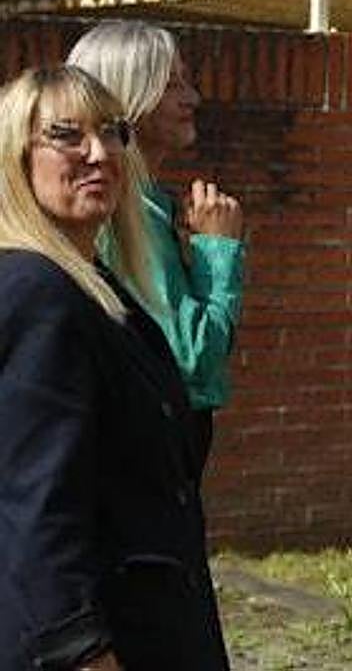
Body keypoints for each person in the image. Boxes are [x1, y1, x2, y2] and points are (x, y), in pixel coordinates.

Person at [0, 66, 229, 670]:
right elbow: (36, 501)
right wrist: (79, 648)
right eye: (66, 135)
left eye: (112, 132)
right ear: (15, 154)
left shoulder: (97, 289)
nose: (99, 153)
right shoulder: (36, 292)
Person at [68, 20, 245, 470]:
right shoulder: (123, 210)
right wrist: (217, 252)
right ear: (126, 98)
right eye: (170, 84)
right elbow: (192, 361)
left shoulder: (145, 203)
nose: (192, 98)